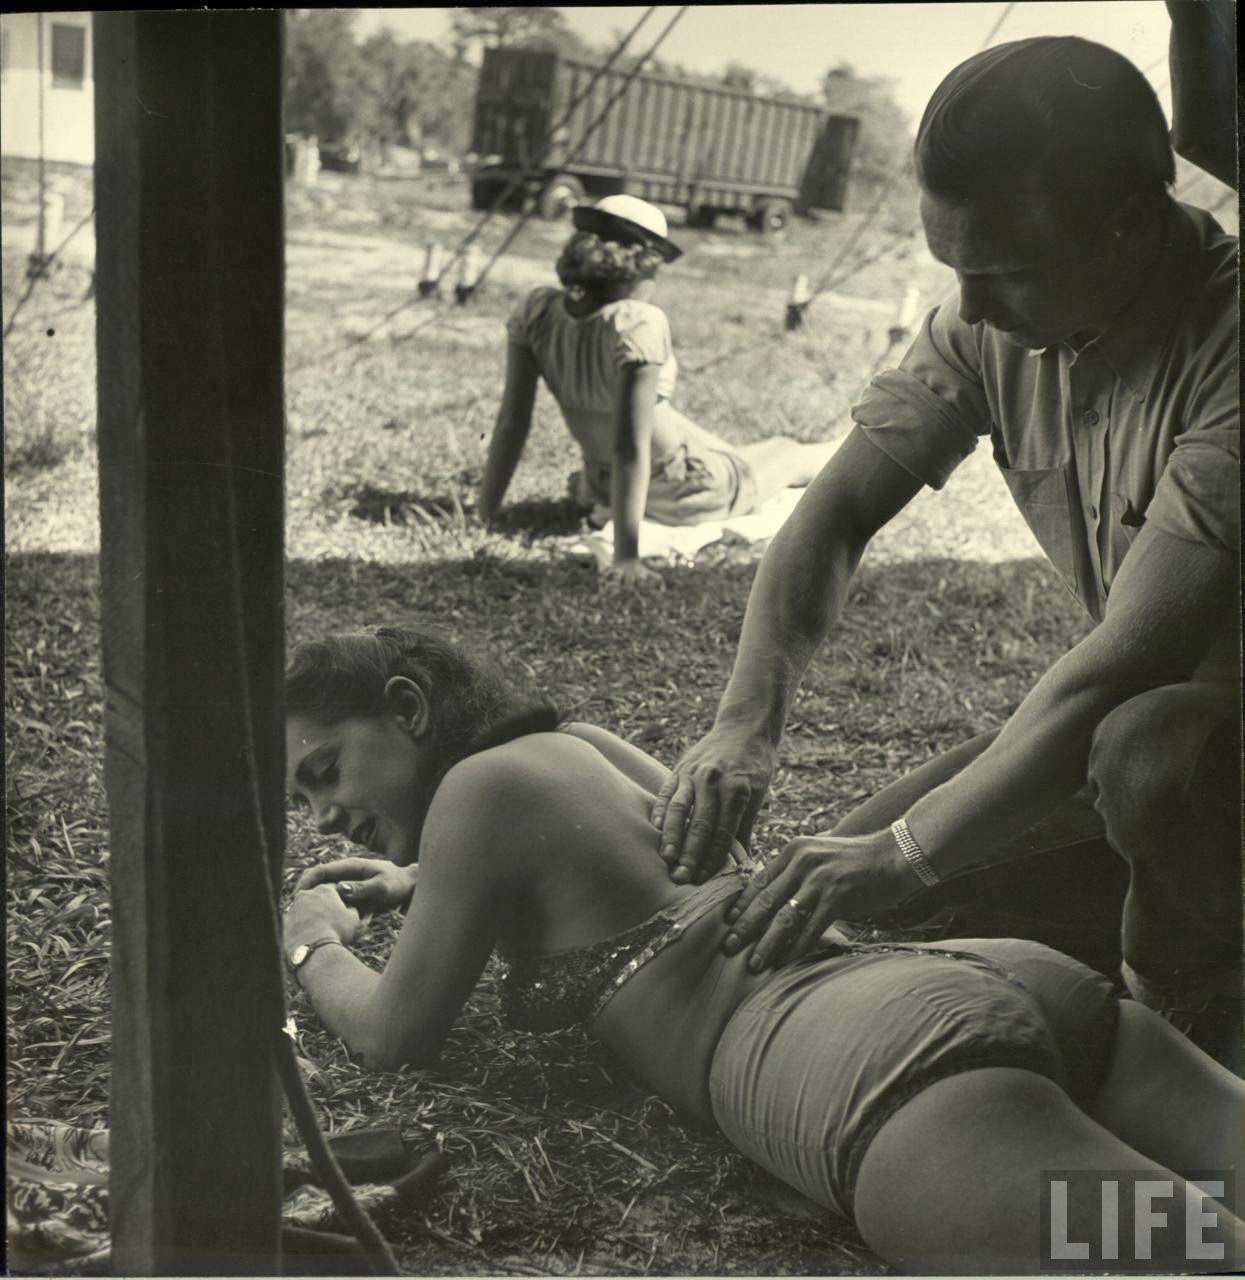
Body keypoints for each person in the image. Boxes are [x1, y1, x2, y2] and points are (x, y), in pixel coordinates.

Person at [282, 626, 1245, 1274]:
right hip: (994, 989)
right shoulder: (579, 745)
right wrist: (420, 883)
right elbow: (640, 866)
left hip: (884, 1073)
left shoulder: (473, 800)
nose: (325, 815)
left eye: (324, 771)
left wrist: (313, 946)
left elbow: (394, 1033)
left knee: (1197, 1258)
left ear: (408, 709)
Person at [649, 37, 1241, 1066]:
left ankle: (1189, 1018)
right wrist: (744, 724)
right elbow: (830, 516)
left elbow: (1120, 671)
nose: (969, 309)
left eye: (1004, 272)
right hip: (1124, 743)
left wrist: (909, 851)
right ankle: (1145, 908)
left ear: (1128, 228)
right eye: (954, 269)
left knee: (1147, 752)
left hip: (1173, 736)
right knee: (833, 897)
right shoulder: (994, 321)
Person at [478, 194, 835, 584]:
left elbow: (512, 421)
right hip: (682, 488)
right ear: (640, 267)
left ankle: (841, 447)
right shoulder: (636, 322)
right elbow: (631, 445)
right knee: (786, 451)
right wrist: (626, 557)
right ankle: (859, 449)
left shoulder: (538, 309)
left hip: (602, 485)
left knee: (744, 453)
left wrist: (486, 512)